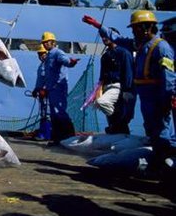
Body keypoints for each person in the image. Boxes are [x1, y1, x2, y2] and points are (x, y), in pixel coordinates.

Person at [83, 11, 176, 176]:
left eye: (135, 28)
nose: (133, 31)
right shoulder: (140, 45)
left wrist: (168, 99)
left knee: (162, 132)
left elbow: (168, 77)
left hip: (158, 98)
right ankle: (159, 163)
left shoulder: (161, 48)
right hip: (147, 99)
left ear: (146, 28)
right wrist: (98, 25)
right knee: (152, 131)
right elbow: (117, 38)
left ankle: (167, 167)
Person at [39, 31, 80, 145]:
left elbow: (66, 61)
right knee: (53, 114)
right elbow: (46, 75)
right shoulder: (48, 57)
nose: (45, 44)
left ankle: (69, 137)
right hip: (51, 89)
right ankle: (57, 139)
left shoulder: (57, 53)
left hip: (58, 88)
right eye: (44, 42)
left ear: (53, 42)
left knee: (59, 112)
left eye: (47, 42)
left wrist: (72, 63)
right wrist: (41, 88)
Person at [93, 28, 135, 134]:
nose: (104, 38)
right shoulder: (105, 55)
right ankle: (114, 127)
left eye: (106, 35)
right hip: (107, 87)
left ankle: (117, 126)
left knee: (105, 104)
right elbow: (102, 77)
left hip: (118, 87)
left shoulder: (124, 53)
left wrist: (127, 90)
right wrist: (98, 90)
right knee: (106, 111)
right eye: (102, 36)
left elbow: (128, 72)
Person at [32, 44, 51, 140]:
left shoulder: (50, 65)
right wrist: (36, 90)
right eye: (39, 54)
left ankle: (47, 135)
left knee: (47, 114)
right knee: (43, 114)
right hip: (41, 94)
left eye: (43, 53)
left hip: (47, 94)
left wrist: (46, 90)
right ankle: (42, 133)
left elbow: (51, 80)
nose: (41, 56)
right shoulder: (41, 66)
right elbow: (39, 80)